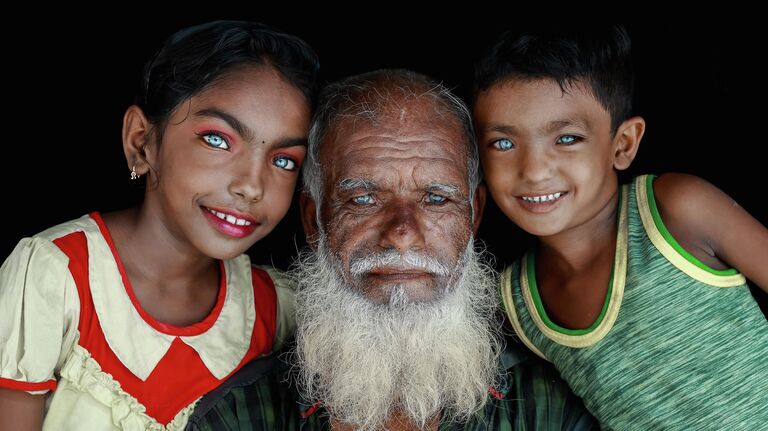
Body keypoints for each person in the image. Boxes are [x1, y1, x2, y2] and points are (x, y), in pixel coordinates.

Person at [185, 69, 597, 431]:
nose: (402, 234)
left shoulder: (547, 411)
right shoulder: (240, 416)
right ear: (315, 221)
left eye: (436, 199)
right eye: (364, 199)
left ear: (473, 217)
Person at [0, 20, 318, 430]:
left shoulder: (276, 310)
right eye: (218, 140)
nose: (251, 186)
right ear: (141, 141)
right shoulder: (57, 275)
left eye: (283, 160)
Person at [473, 24, 768, 430]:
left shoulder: (675, 210)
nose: (535, 170)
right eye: (504, 143)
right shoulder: (517, 304)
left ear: (623, 144)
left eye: (567, 138)